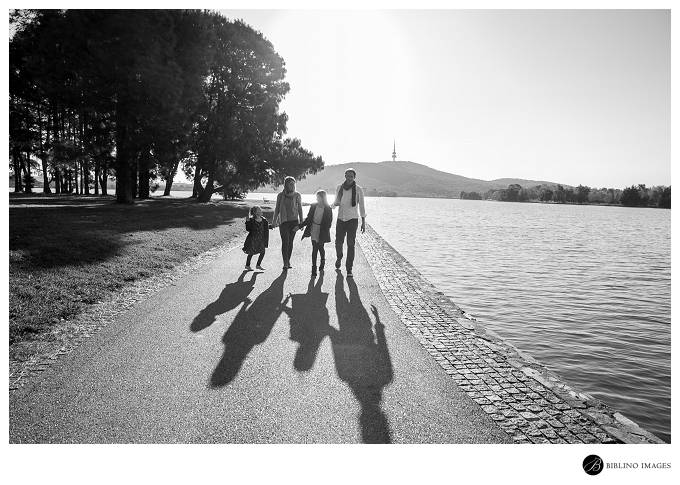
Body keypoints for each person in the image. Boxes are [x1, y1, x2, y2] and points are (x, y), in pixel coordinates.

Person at [333, 168, 366, 278]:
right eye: (348, 176)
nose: (349, 178)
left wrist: (363, 222)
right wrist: (329, 207)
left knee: (351, 244)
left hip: (352, 219)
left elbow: (361, 205)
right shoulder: (339, 188)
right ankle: (339, 257)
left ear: (354, 177)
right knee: (338, 242)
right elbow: (335, 202)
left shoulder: (358, 189)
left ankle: (349, 269)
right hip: (341, 218)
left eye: (351, 176)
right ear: (345, 176)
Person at [299, 190, 333, 277]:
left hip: (322, 231)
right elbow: (308, 218)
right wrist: (300, 226)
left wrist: (324, 231)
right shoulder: (313, 206)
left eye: (318, 197)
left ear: (323, 198)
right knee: (314, 249)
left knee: (321, 247)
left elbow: (329, 223)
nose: (317, 198)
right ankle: (313, 269)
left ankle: (323, 261)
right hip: (314, 228)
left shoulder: (328, 209)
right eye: (316, 197)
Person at [272, 176, 304, 270]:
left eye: (294, 184)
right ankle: (285, 263)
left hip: (294, 222)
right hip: (283, 222)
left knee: (290, 242)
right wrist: (274, 222)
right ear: (286, 184)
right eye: (290, 184)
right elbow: (277, 209)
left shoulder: (297, 195)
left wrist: (301, 222)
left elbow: (300, 209)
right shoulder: (280, 195)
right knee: (285, 242)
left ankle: (288, 260)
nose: (292, 185)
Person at [242, 205, 272, 271]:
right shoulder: (252, 220)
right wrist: (247, 222)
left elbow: (266, 227)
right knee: (251, 252)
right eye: (259, 210)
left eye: (260, 210)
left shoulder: (264, 220)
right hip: (253, 239)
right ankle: (247, 265)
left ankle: (258, 265)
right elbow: (248, 229)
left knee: (262, 252)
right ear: (255, 212)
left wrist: (271, 226)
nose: (260, 210)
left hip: (261, 239)